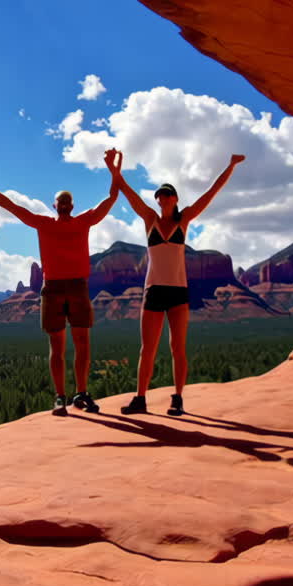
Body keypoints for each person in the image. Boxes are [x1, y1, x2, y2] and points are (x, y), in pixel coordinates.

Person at [0, 156, 119, 416]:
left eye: (67, 201)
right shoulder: (44, 223)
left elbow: (110, 199)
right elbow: (12, 207)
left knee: (83, 343)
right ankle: (60, 396)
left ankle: (81, 393)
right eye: (60, 201)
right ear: (55, 205)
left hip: (77, 287)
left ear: (71, 205)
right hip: (52, 289)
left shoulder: (83, 221)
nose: (63, 204)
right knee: (57, 346)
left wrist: (113, 171)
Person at [106, 150, 245, 415]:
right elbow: (126, 190)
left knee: (177, 348)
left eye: (167, 194)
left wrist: (231, 166)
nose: (163, 198)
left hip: (179, 292)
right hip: (154, 290)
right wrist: (113, 168)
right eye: (160, 195)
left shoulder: (186, 218)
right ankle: (140, 399)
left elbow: (212, 192)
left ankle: (178, 399)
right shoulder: (150, 219)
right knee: (147, 349)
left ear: (176, 199)